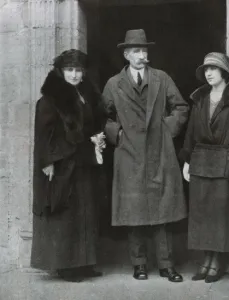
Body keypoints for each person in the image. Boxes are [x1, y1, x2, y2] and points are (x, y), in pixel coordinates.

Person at [103, 29, 189, 282]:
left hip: (158, 152)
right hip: (128, 153)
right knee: (134, 214)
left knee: (162, 212)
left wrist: (166, 129)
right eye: (137, 51)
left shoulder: (162, 78)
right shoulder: (113, 84)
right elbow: (103, 115)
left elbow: (181, 107)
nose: (142, 56)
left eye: (145, 51)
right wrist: (116, 134)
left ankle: (166, 264)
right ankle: (139, 264)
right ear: (126, 55)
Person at [31, 49, 107, 281]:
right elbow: (43, 135)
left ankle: (84, 263)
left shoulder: (85, 95)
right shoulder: (50, 100)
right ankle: (66, 266)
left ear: (83, 74)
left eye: (78, 70)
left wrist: (97, 137)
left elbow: (91, 124)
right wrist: (47, 163)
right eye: (69, 70)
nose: (74, 74)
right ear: (61, 72)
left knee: (84, 212)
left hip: (82, 160)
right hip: (62, 162)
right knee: (65, 214)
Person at [180, 52, 229, 283]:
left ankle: (217, 263)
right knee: (202, 215)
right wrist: (186, 159)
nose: (209, 73)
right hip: (201, 162)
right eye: (206, 69)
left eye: (213, 68)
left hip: (224, 163)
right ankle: (206, 261)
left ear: (224, 72)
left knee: (220, 216)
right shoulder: (199, 98)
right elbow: (191, 132)